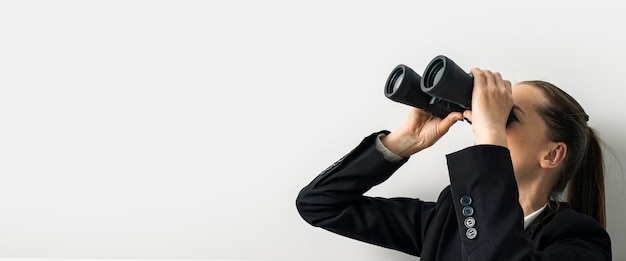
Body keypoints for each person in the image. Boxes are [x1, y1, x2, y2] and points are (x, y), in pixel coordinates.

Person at [295, 68, 612, 260]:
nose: (484, 124)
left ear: (552, 155)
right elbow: (320, 205)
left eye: (507, 117)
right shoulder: (452, 216)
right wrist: (400, 144)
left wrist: (490, 137)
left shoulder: (581, 242)